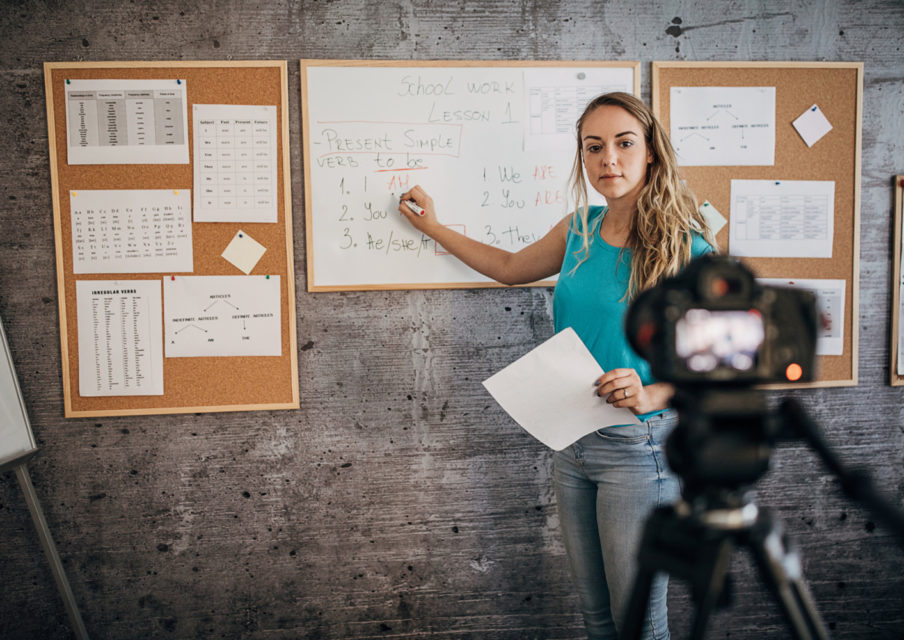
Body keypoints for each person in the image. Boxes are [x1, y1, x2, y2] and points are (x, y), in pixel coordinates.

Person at [398, 92, 715, 640]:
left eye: (623, 144)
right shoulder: (580, 229)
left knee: (639, 626)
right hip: (573, 442)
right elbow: (509, 267)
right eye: (593, 147)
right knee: (597, 622)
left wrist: (654, 394)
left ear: (652, 155)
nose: (607, 160)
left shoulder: (687, 249)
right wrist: (434, 228)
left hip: (639, 451)